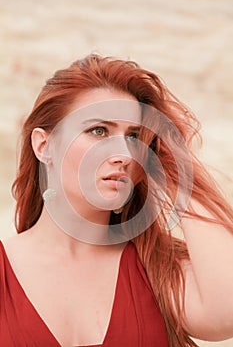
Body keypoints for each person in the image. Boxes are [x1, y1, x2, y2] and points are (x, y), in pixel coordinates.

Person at [0, 53, 233, 347]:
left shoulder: (156, 268)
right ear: (44, 146)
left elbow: (226, 313)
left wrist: (176, 173)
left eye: (134, 137)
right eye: (99, 131)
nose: (123, 154)